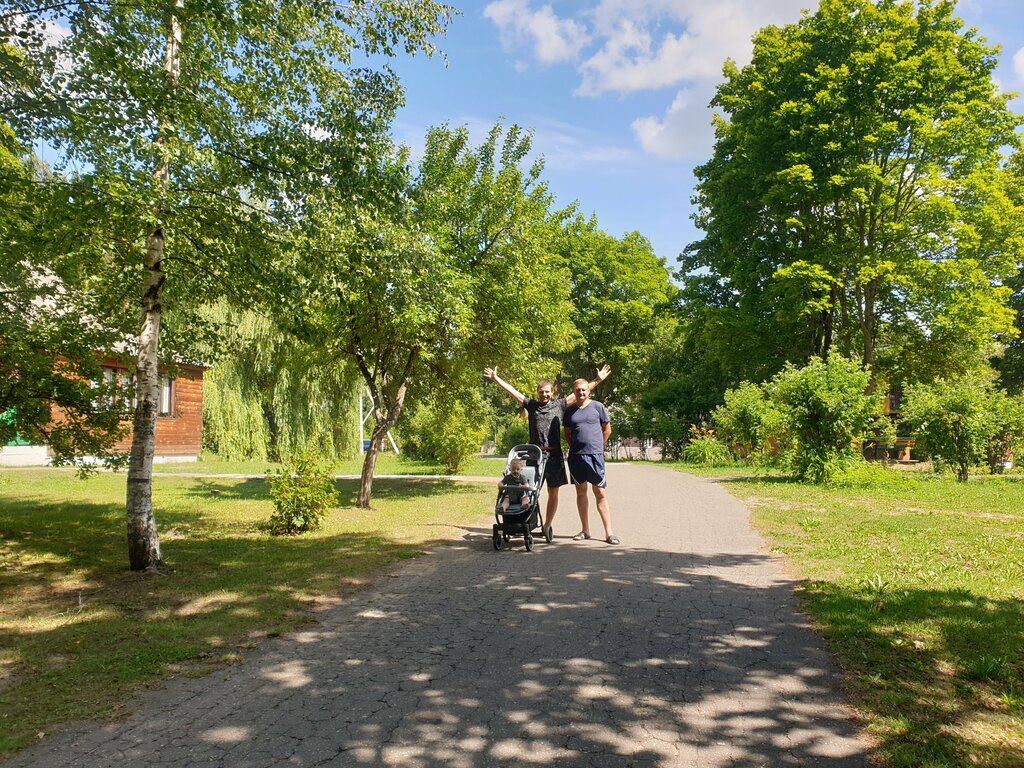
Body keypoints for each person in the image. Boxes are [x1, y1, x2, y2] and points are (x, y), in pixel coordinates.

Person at [483, 364, 611, 533]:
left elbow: (581, 391)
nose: (544, 394)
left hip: (554, 456)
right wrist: (496, 378)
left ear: (552, 393)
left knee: (553, 492)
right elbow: (513, 392)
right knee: (528, 490)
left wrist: (598, 380)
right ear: (538, 392)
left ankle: (547, 525)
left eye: (547, 392)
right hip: (534, 456)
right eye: (541, 391)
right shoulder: (531, 405)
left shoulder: (560, 405)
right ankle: (526, 522)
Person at [563, 377, 617, 545]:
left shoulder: (598, 407)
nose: (581, 392)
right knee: (581, 492)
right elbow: (568, 434)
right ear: (574, 391)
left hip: (595, 456)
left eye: (584, 389)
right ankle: (585, 530)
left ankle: (609, 533)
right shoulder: (569, 411)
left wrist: (598, 446)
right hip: (576, 457)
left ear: (588, 391)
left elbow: (607, 430)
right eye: (578, 390)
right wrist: (576, 448)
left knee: (600, 492)